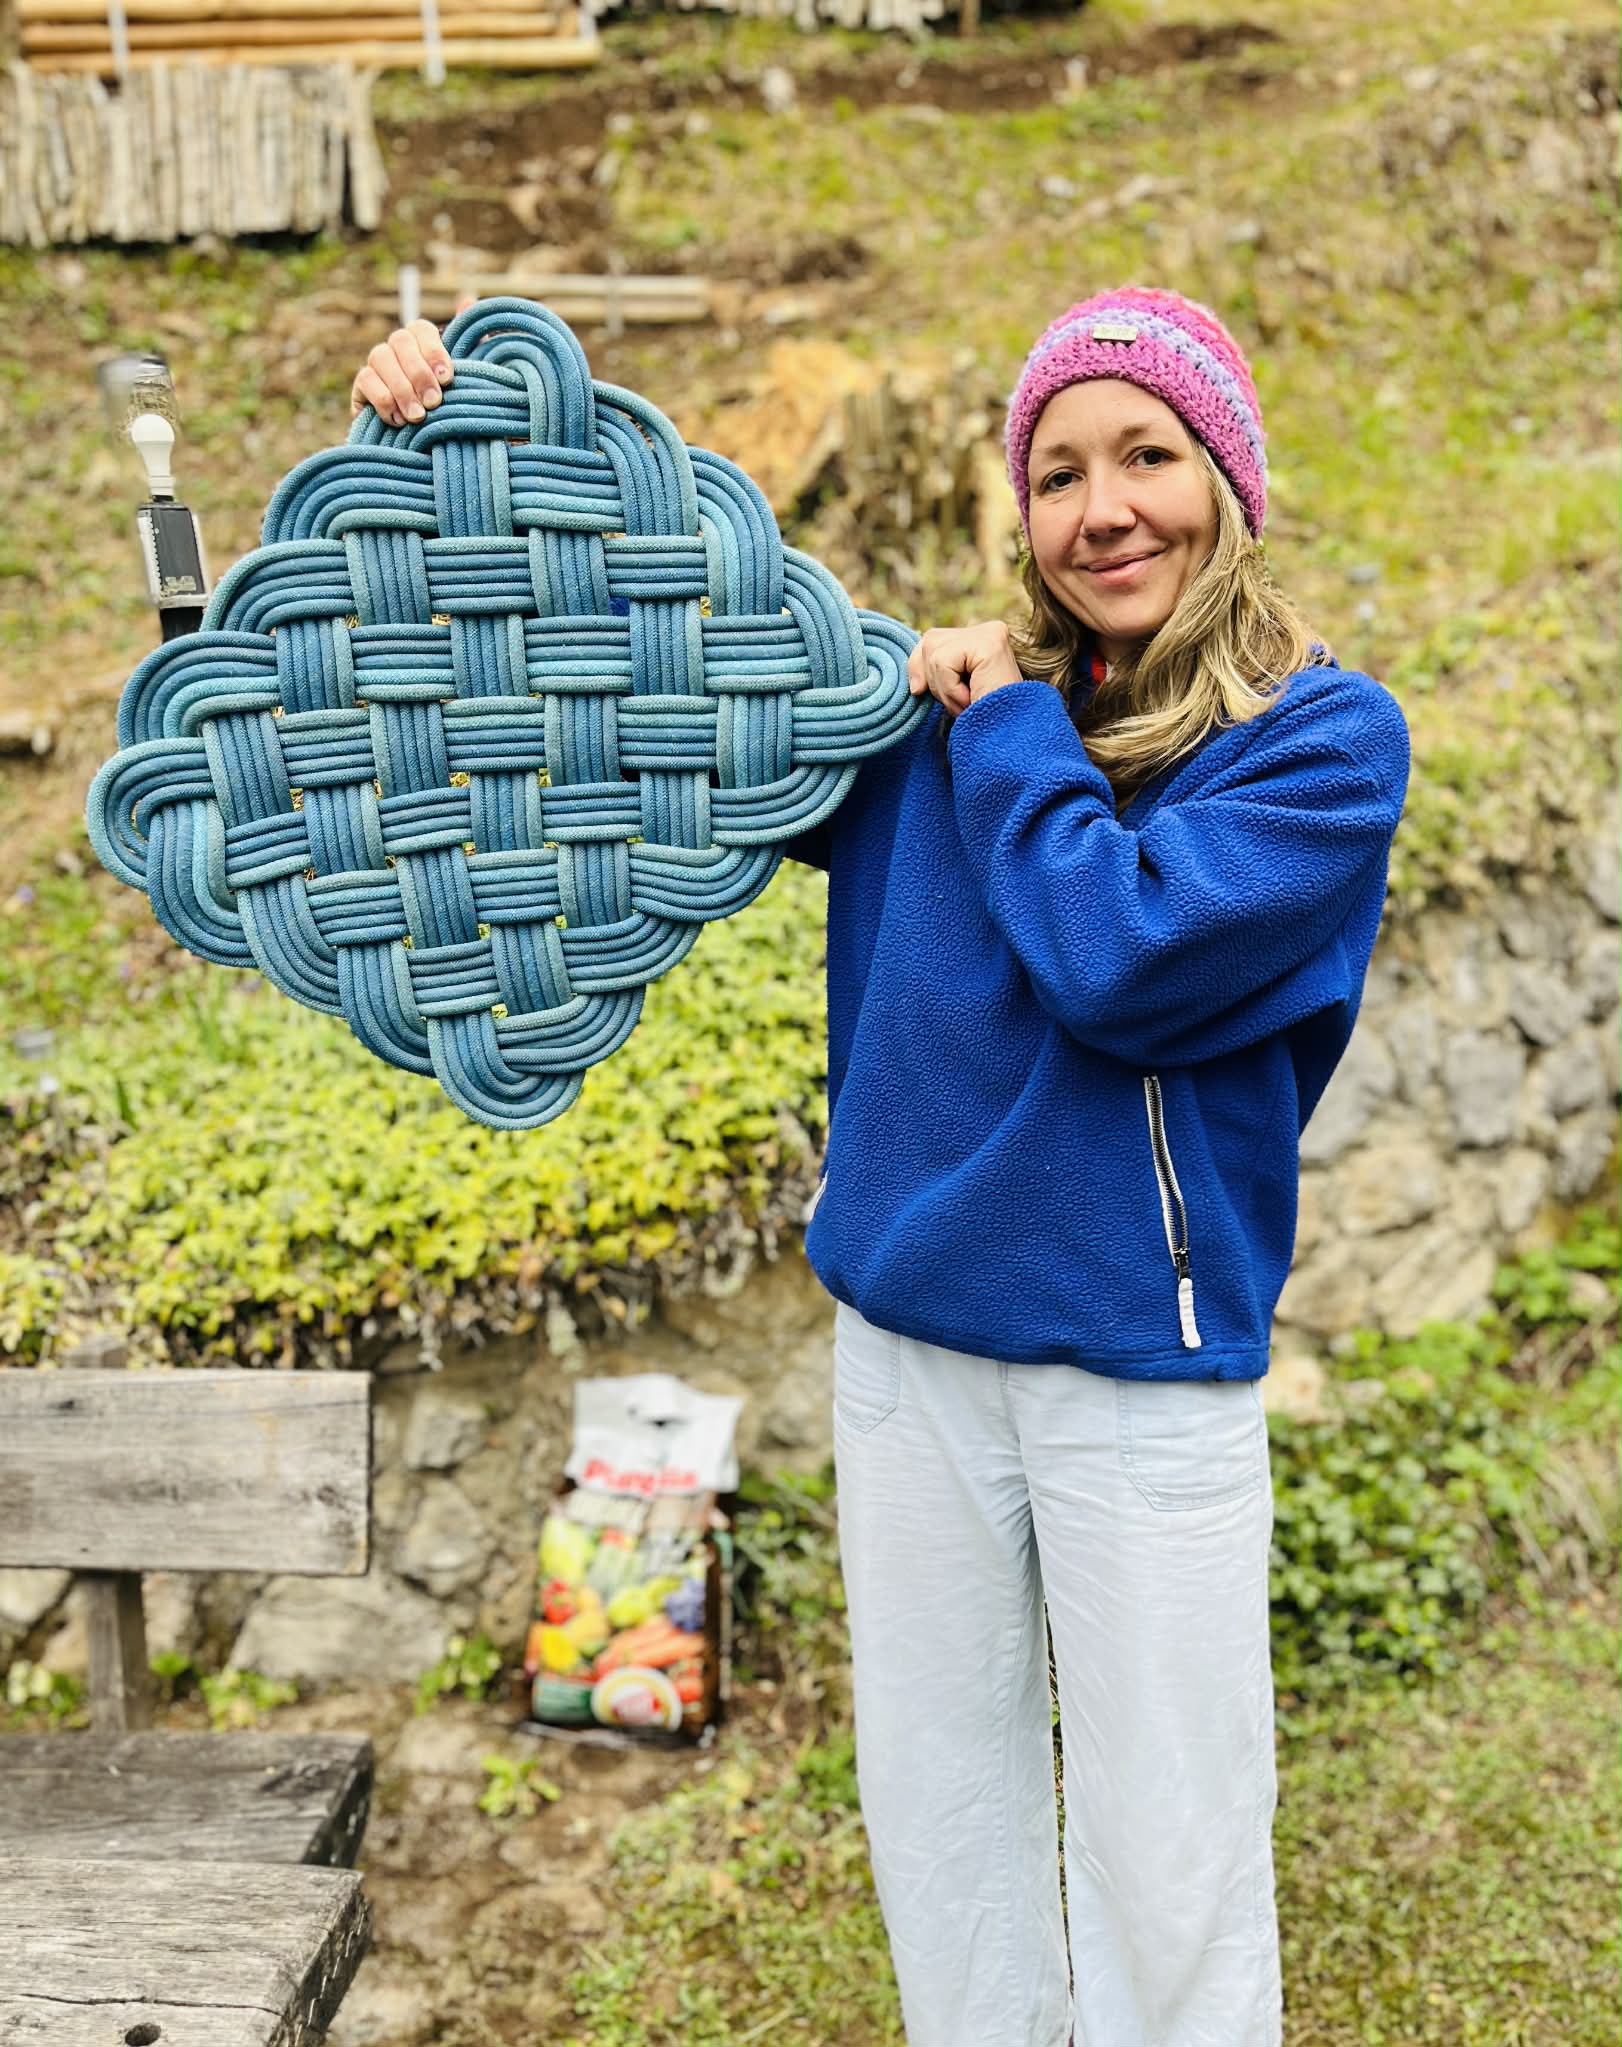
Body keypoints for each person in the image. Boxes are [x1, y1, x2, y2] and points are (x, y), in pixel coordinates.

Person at [351, 286, 1410, 2046]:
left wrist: (1000, 728)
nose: (1102, 509)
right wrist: (461, 447)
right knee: (944, 1818)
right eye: (1057, 474)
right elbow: (628, 696)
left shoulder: (1319, 742)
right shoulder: (932, 717)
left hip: (1136, 1373)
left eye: (1146, 456)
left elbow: (1120, 955)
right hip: (907, 1353)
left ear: (1227, 481)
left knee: (1170, 1851)